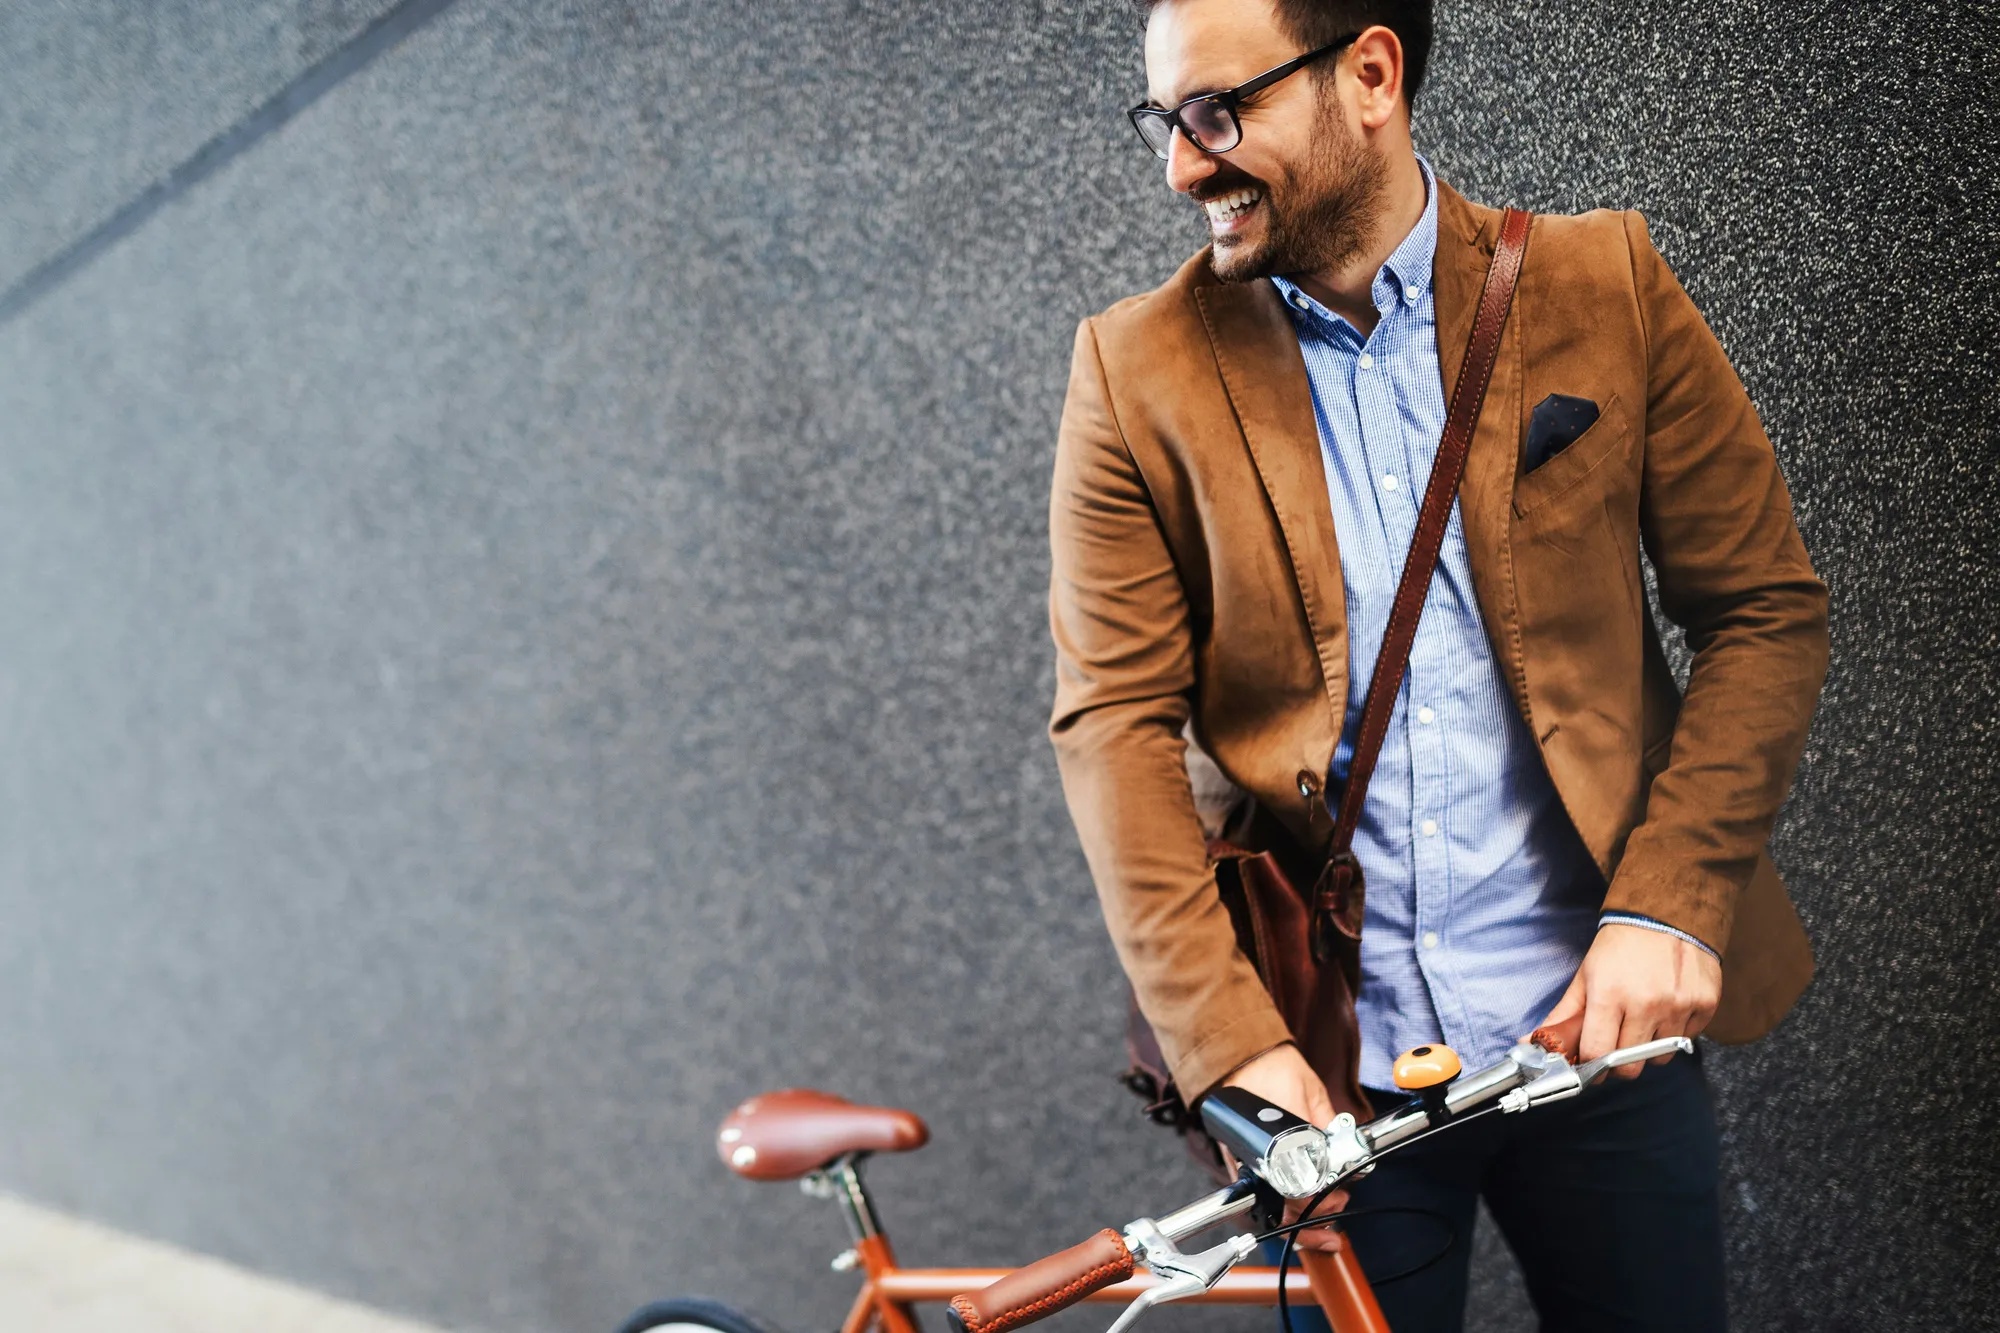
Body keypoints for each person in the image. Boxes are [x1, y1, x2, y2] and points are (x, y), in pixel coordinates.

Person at [1045, 1, 1830, 1328]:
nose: (1183, 166)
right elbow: (1112, 726)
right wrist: (1236, 1049)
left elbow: (1762, 609)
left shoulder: (1605, 284)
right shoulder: (1134, 372)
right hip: (1331, 1082)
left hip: (1597, 1047)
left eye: (1216, 113)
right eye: (1165, 121)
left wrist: (1674, 900)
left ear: (1369, 74)